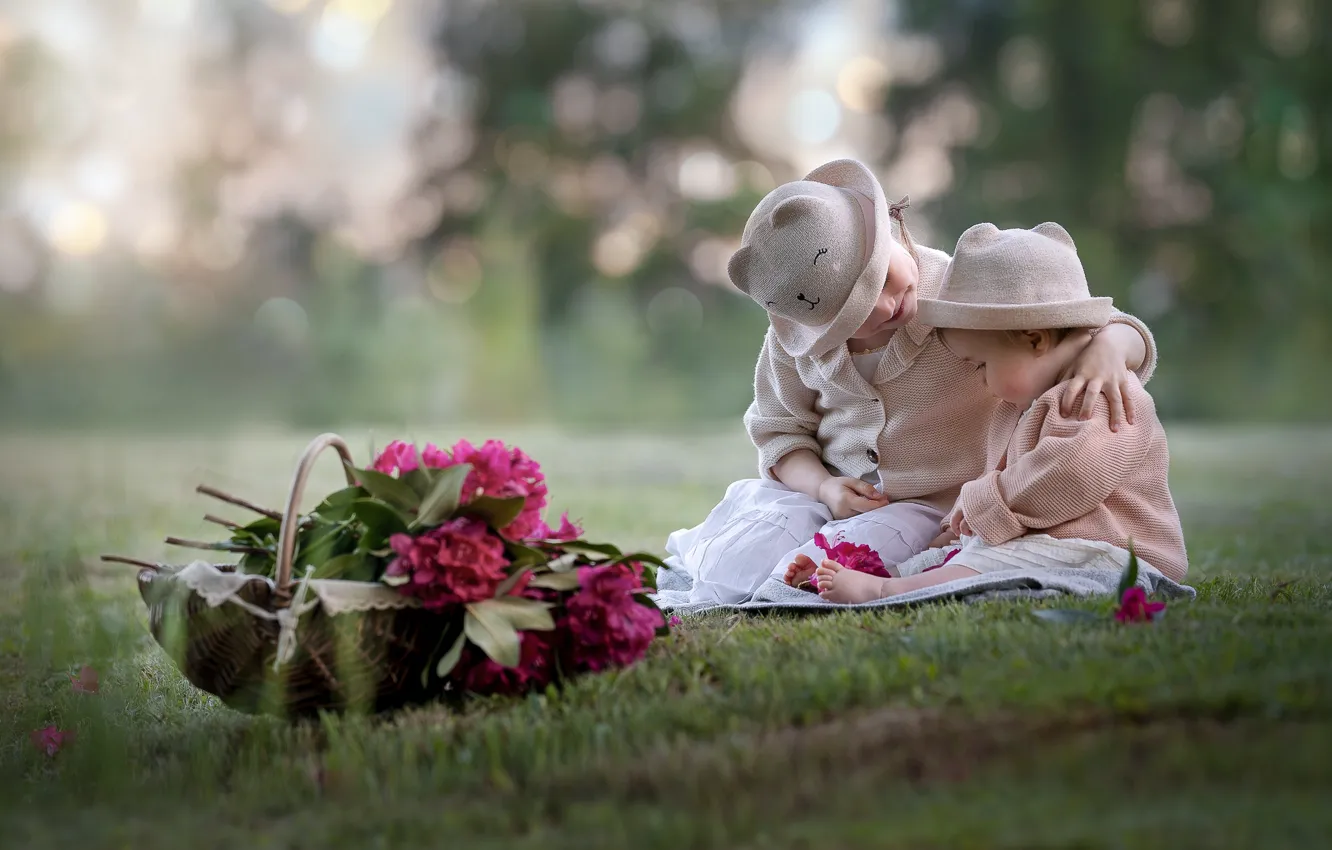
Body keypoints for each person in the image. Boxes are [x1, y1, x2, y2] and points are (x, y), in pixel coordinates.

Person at [663, 159, 1158, 604]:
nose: (884, 307)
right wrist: (824, 488)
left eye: (879, 279)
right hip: (831, 493)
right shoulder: (797, 345)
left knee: (849, 553)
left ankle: (824, 579)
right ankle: (731, 571)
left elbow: (1068, 318)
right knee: (747, 551)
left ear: (894, 231)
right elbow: (779, 432)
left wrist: (1114, 347)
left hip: (934, 505)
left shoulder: (961, 293)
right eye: (851, 315)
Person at [810, 221, 1188, 603]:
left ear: (1035, 340)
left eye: (981, 365)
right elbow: (1002, 475)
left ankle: (887, 589)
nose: (983, 381)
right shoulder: (1019, 407)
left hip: (1110, 549)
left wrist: (981, 507)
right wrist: (957, 526)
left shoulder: (1098, 392)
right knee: (958, 556)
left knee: (987, 565)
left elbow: (1070, 475)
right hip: (1052, 540)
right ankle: (882, 573)